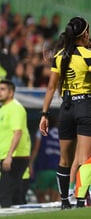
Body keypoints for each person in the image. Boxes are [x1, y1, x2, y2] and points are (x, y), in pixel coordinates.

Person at [39, 16, 91, 209]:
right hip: (86, 107)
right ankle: (80, 201)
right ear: (85, 34)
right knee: (84, 160)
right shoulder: (89, 56)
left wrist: (44, 115)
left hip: (66, 109)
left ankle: (64, 202)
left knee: (64, 159)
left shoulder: (59, 55)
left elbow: (51, 87)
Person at [0, 79, 31, 208]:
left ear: (11, 92)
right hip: (6, 156)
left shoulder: (16, 108)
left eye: (3, 89)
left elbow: (17, 133)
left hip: (15, 157)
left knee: (5, 195)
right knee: (13, 196)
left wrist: (9, 156)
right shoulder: (3, 109)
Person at [30, 114, 60, 203]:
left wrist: (30, 163)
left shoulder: (41, 131)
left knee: (40, 196)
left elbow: (36, 149)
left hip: (44, 167)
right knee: (54, 200)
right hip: (58, 169)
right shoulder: (60, 133)